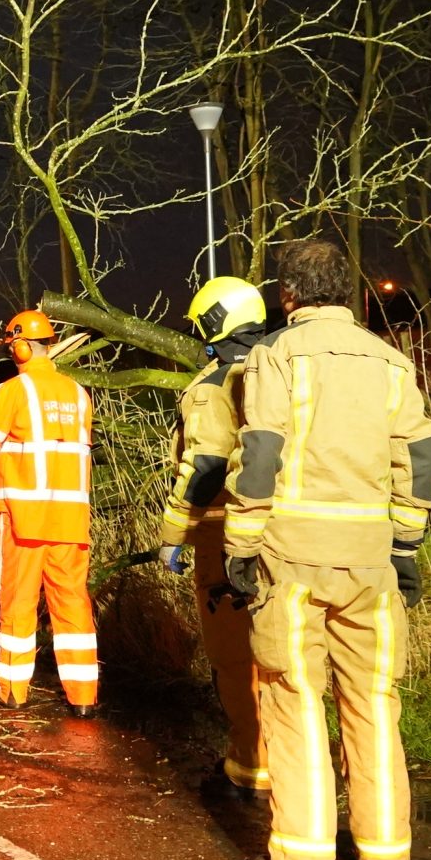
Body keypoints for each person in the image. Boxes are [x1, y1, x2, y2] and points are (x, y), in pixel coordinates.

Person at [224, 239, 431, 860]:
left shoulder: (275, 358)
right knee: (374, 699)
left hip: (293, 560)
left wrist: (239, 544)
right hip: (370, 562)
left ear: (287, 294)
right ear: (348, 292)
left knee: (292, 694)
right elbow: (421, 459)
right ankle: (384, 852)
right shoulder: (391, 362)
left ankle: (303, 855)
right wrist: (405, 547)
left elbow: (260, 456)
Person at [156, 276, 274, 799]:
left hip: (223, 530)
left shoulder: (213, 385)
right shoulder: (287, 369)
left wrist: (173, 532)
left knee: (234, 656)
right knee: (287, 653)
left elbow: (204, 464)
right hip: (289, 531)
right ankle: (302, 763)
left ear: (213, 323)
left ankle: (251, 766)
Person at [0, 309, 100, 718]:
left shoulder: (10, 392)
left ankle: (14, 690)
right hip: (70, 519)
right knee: (72, 602)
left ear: (18, 346)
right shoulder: (78, 394)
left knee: (17, 602)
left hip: (23, 518)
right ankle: (84, 696)